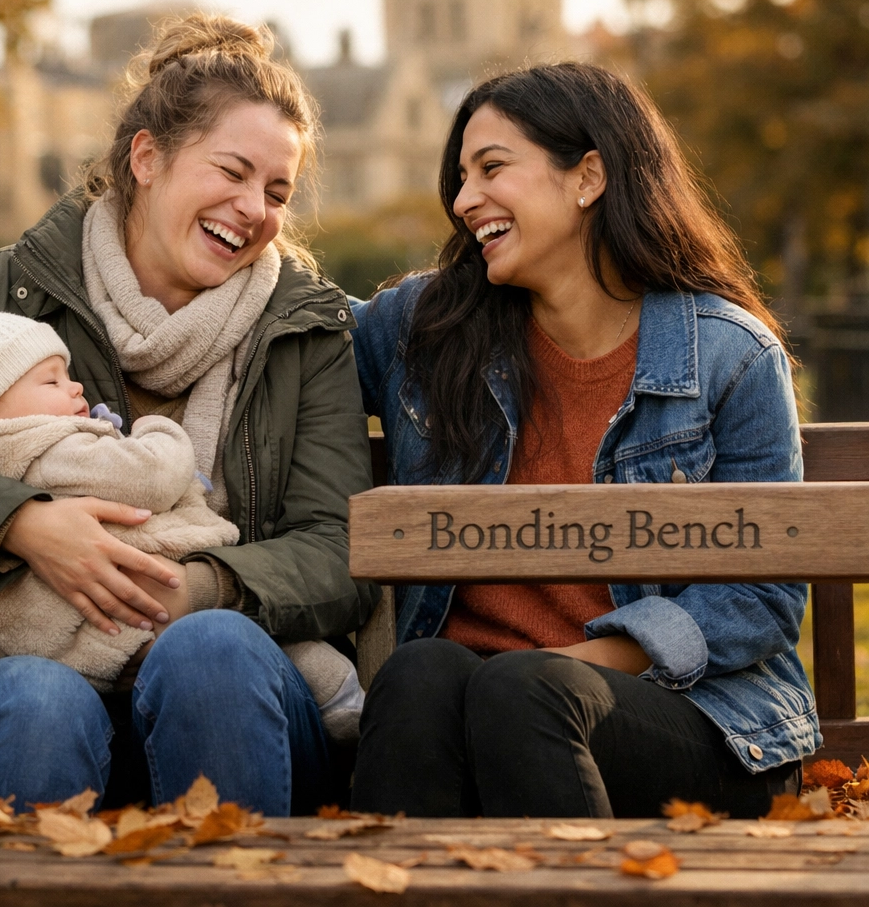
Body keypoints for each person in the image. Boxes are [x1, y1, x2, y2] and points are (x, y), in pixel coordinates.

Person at [0, 12, 376, 815]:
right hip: (7, 685)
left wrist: (199, 589)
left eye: (277, 192)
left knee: (210, 650)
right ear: (147, 158)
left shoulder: (305, 331)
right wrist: (20, 525)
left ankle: (235, 877)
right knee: (36, 699)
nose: (253, 208)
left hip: (230, 700)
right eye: (232, 172)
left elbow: (336, 545)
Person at [348, 62, 819, 819]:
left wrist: (579, 661)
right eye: (461, 179)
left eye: (491, 168)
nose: (464, 201)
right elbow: (290, 327)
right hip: (475, 705)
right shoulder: (427, 329)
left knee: (525, 690)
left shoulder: (728, 356)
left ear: (588, 177)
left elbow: (762, 595)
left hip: (697, 719)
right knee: (418, 674)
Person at [0, 304, 363, 742]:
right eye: (51, 382)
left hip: (71, 638)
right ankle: (344, 703)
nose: (76, 388)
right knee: (240, 645)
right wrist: (156, 430)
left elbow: (335, 541)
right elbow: (152, 477)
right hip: (123, 616)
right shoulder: (53, 449)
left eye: (68, 375)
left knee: (220, 645)